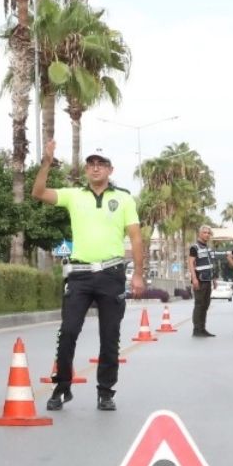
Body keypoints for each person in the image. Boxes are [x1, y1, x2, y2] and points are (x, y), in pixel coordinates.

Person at [32, 140, 145, 412]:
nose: (95, 168)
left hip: (111, 274)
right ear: (86, 169)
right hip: (80, 276)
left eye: (101, 164)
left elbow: (136, 237)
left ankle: (105, 392)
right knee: (68, 331)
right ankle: (62, 386)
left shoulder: (124, 198)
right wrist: (46, 163)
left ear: (110, 169)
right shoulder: (74, 195)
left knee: (110, 336)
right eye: (91, 164)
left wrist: (138, 274)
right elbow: (38, 193)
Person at [186, 224, 219, 338]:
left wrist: (214, 280)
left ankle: (203, 328)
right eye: (204, 232)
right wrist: (194, 278)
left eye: (208, 233)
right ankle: (196, 330)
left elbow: (212, 265)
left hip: (208, 280)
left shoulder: (208, 248)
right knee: (199, 304)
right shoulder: (195, 247)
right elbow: (191, 263)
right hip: (199, 280)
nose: (207, 235)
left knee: (206, 305)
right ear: (200, 234)